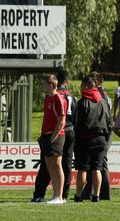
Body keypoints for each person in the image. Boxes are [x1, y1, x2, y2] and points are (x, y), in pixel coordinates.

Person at [31, 70, 76, 203]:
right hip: (46, 135)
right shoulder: (48, 98)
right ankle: (55, 195)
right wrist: (43, 136)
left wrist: (53, 138)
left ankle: (59, 196)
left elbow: (61, 121)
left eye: (43, 84)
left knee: (57, 165)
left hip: (56, 136)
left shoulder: (58, 98)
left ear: (50, 85)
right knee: (49, 165)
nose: (42, 87)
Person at [74, 76, 111, 202]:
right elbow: (109, 122)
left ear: (85, 86)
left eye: (81, 86)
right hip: (101, 139)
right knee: (97, 168)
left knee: (82, 168)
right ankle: (96, 195)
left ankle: (79, 195)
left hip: (85, 139)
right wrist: (106, 138)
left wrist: (76, 139)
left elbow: (77, 123)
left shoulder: (82, 103)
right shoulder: (104, 102)